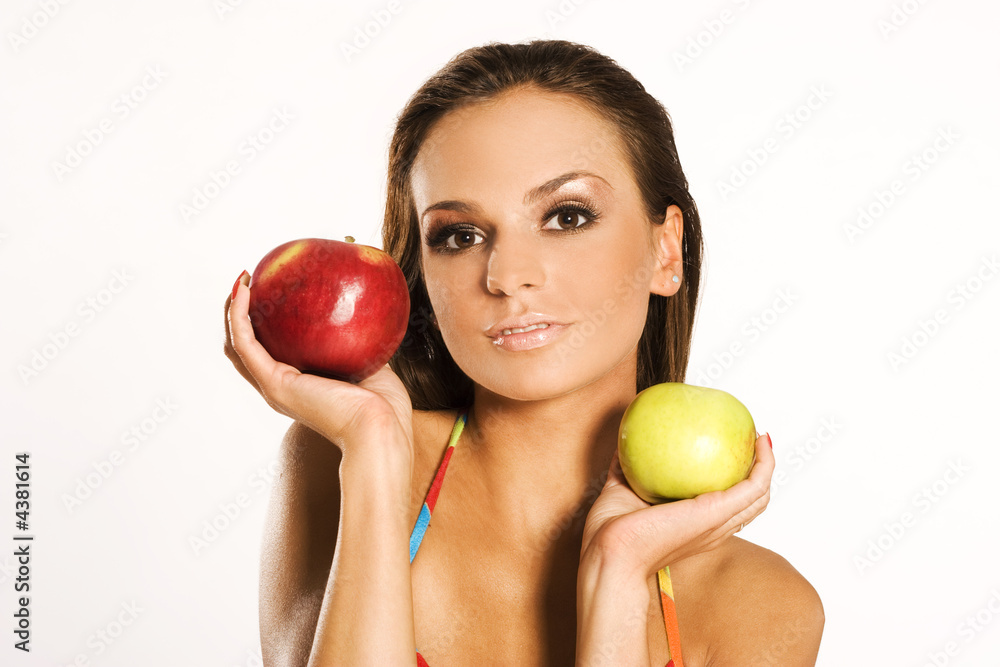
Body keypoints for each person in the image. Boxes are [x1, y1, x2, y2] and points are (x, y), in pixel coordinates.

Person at [225, 39, 823, 666]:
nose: (507, 274)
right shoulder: (342, 461)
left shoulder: (764, 606)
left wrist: (616, 576)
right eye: (460, 235)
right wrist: (374, 455)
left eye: (566, 217)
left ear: (665, 252)